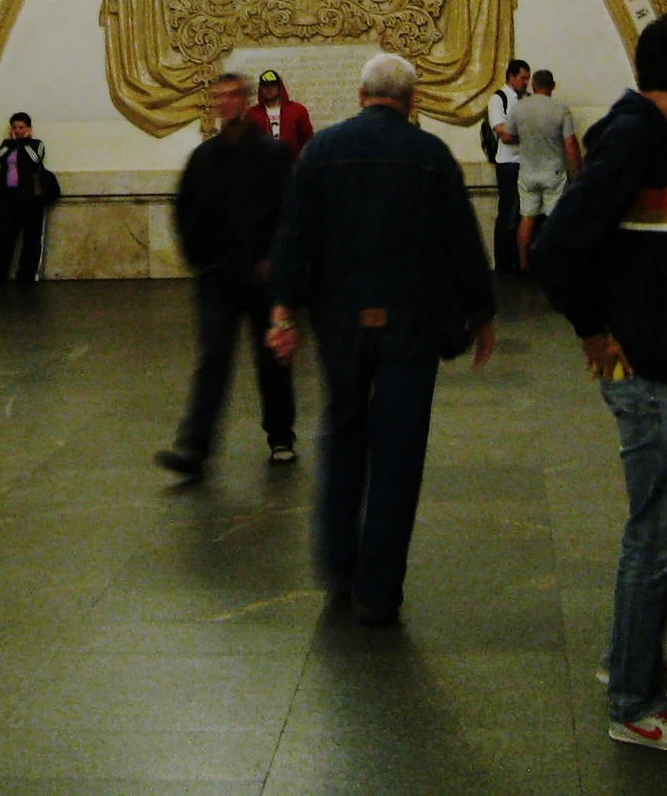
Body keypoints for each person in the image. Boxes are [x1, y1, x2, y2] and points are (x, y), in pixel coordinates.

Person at [531, 12, 667, 757]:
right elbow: (556, 246)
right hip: (648, 368)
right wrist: (595, 331)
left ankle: (636, 656)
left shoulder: (662, 143)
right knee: (658, 529)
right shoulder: (631, 139)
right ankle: (634, 701)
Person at [266, 52, 495, 626]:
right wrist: (482, 311)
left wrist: (282, 313)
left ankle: (338, 566)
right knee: (399, 452)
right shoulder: (431, 156)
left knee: (342, 435)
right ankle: (378, 590)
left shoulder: (321, 152)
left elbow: (295, 236)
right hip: (411, 327)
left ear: (362, 93)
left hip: (340, 324)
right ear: (412, 100)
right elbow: (462, 241)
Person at [157, 72, 297, 479]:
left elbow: (288, 211)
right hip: (218, 278)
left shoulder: (272, 155)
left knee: (272, 358)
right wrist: (200, 260)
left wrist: (274, 258)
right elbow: (185, 211)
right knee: (213, 358)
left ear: (245, 101)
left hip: (262, 278)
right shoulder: (205, 158)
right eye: (218, 96)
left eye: (232, 95)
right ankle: (195, 448)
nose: (225, 103)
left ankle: (281, 434)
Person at [509, 69, 580, 268]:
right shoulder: (561, 109)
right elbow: (570, 144)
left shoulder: (518, 108)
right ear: (553, 86)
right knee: (554, 220)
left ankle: (524, 266)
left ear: (533, 85)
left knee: (527, 219)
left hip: (528, 170)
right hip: (554, 172)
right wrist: (577, 172)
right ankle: (552, 265)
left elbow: (509, 135)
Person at [0, 112, 53, 287]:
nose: (18, 130)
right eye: (15, 127)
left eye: (21, 127)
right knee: (4, 235)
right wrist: (12, 143)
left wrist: (23, 142)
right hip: (10, 196)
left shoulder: (36, 144)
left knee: (31, 237)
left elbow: (35, 158)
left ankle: (27, 275)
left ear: (29, 129)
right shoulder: (8, 145)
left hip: (31, 197)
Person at [487, 58, 530, 275]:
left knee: (527, 214)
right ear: (511, 76)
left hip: (527, 163)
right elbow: (503, 133)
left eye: (527, 78)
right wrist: (525, 134)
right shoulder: (498, 99)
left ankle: (520, 261)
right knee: (509, 214)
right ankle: (504, 265)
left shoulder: (527, 100)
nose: (526, 82)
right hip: (508, 164)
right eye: (522, 78)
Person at [252, 69, 315, 161]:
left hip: (292, 165)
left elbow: (308, 141)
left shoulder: (298, 110)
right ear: (260, 89)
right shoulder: (252, 113)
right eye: (265, 86)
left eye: (273, 85)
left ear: (279, 87)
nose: (269, 89)